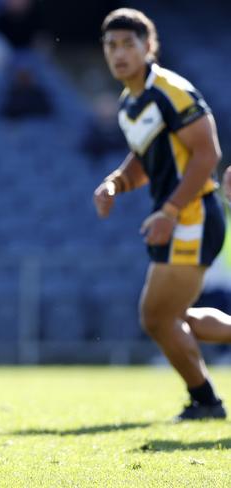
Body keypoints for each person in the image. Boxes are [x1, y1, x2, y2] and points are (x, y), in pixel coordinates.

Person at [93, 8, 228, 422]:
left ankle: (205, 401)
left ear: (149, 47)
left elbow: (208, 154)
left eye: (128, 44)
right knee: (167, 318)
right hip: (174, 216)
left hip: (192, 215)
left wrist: (170, 210)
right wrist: (116, 181)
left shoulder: (171, 90)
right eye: (111, 45)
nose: (119, 53)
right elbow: (146, 157)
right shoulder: (130, 102)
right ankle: (204, 400)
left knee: (158, 317)